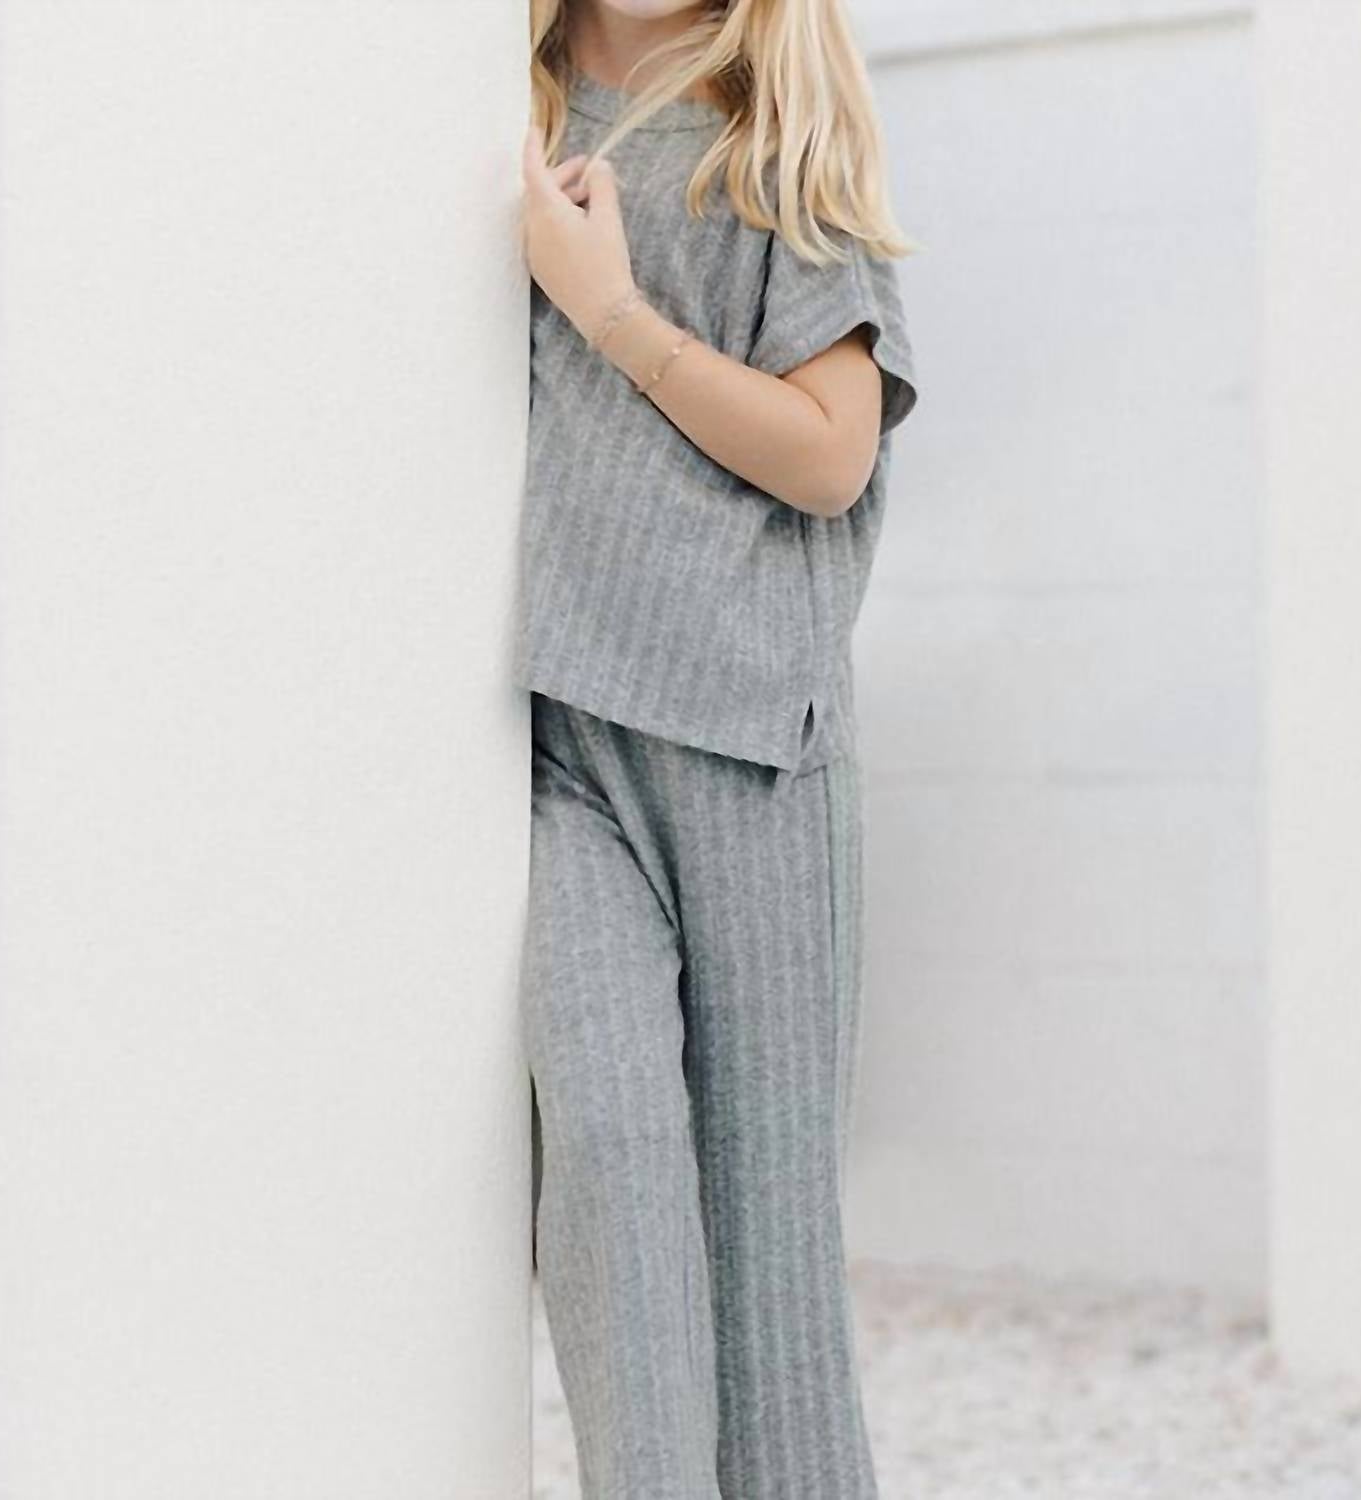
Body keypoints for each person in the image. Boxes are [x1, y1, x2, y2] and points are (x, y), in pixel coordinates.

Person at [516, 1, 920, 1495]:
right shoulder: (498, 105)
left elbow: (830, 455)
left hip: (758, 751)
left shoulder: (777, 138)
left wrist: (609, 309)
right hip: (559, 751)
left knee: (769, 1255)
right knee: (608, 1161)